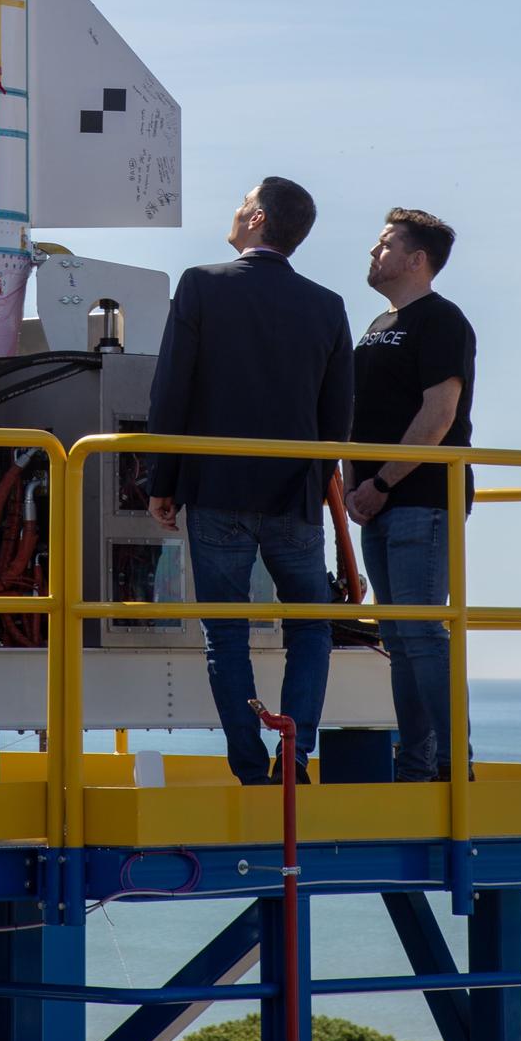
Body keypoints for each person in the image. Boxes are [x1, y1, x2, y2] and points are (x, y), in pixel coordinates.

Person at [146, 178, 354, 785]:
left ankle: (248, 765)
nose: (235, 211)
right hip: (295, 496)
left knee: (226, 634)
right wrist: (316, 487)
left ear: (258, 217)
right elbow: (337, 418)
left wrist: (163, 479)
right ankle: (296, 756)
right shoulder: (328, 305)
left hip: (215, 487)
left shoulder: (202, 285)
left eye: (241, 202)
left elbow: (172, 390)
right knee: (311, 628)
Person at [344, 208, 476, 783]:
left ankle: (450, 764)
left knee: (421, 631)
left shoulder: (442, 321)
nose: (374, 253)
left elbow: (438, 414)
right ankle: (416, 765)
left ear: (416, 259)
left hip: (421, 497)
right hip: (377, 502)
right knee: (398, 637)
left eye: (385, 244)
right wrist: (352, 485)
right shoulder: (375, 325)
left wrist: (380, 482)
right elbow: (356, 416)